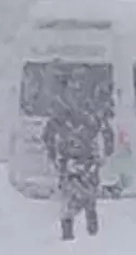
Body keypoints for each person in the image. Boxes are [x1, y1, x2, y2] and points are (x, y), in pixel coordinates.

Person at [42, 96, 105, 240]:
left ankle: (78, 229)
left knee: (76, 198)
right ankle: (81, 229)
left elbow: (48, 139)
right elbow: (48, 139)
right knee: (79, 198)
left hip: (79, 163)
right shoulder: (85, 121)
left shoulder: (63, 124)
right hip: (77, 164)